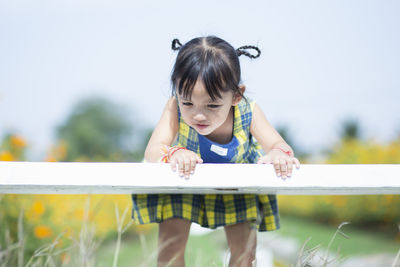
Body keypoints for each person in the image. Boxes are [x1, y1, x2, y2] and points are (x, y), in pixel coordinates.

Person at [131, 36, 300, 267]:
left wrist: (279, 154)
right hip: (183, 180)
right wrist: (174, 152)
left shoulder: (248, 111)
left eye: (212, 105)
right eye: (187, 103)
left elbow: (278, 145)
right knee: (169, 251)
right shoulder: (173, 108)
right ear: (177, 92)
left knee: (244, 256)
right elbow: (153, 151)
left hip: (236, 186)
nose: (198, 115)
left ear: (236, 95)